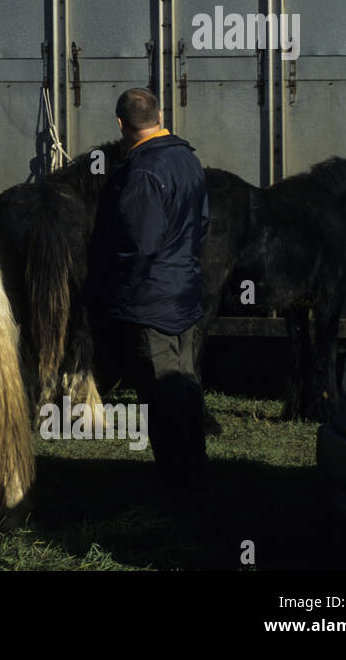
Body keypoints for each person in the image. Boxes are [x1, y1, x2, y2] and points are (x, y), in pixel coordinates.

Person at [85, 87, 210, 484]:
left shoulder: (141, 172)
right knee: (185, 386)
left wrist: (112, 292)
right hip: (184, 295)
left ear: (121, 125)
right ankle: (196, 471)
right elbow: (201, 226)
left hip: (151, 302)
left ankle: (176, 484)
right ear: (159, 116)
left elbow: (139, 244)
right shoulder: (187, 159)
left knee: (160, 397)